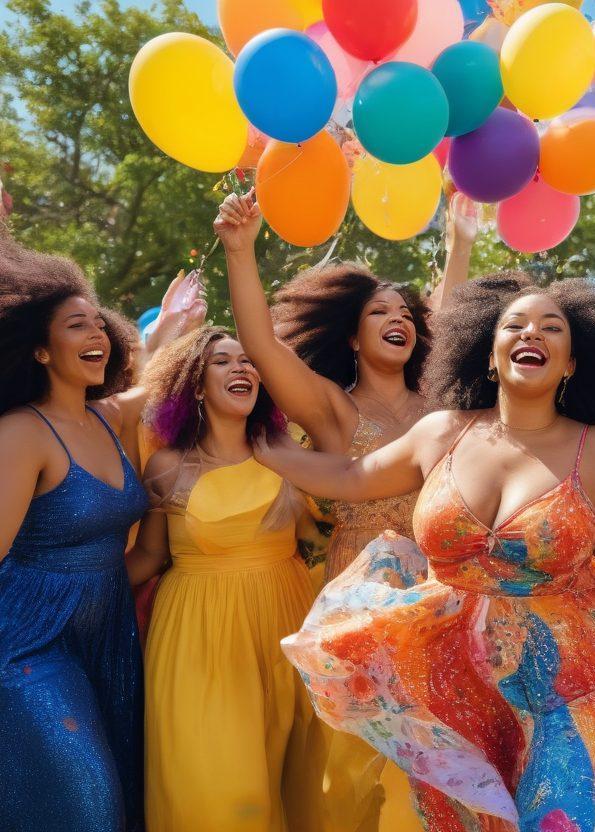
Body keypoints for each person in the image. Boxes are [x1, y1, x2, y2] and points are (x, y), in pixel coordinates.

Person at [259, 275, 595, 831]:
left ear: (569, 363)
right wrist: (258, 445)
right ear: (488, 354)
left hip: (572, 686)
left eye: (550, 328)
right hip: (455, 692)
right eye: (514, 325)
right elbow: (348, 473)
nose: (531, 334)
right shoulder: (441, 433)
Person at [215, 191, 476, 832]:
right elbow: (260, 343)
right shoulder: (331, 406)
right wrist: (240, 250)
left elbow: (453, 310)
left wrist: (462, 239)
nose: (398, 318)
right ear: (353, 337)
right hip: (358, 608)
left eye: (406, 313)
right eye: (379, 311)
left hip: (445, 602)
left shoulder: (442, 407)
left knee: (441, 766)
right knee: (356, 773)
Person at [125, 328, 324, 832]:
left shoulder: (290, 454)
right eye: (222, 361)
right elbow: (149, 553)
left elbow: (324, 541)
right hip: (197, 633)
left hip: (287, 623)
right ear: (195, 385)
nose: (242, 369)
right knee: (217, 789)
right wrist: (74, 586)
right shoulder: (166, 467)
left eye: (248, 361)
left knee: (296, 781)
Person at [0, 231, 148, 831]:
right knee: (92, 806)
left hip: (110, 637)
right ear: (40, 350)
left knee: (121, 803)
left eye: (99, 325)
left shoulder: (109, 417)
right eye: (77, 326)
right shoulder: (22, 433)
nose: (98, 336)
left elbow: (168, 376)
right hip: (31, 642)